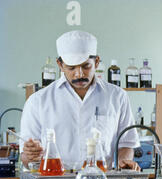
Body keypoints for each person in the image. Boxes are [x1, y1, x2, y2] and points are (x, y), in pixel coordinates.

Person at [20, 30, 140, 171]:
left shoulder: (117, 97)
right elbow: (26, 159)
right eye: (71, 68)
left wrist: (123, 161)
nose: (79, 74)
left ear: (96, 62)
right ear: (60, 64)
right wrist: (30, 155)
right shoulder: (38, 101)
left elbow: (127, 143)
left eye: (85, 66)